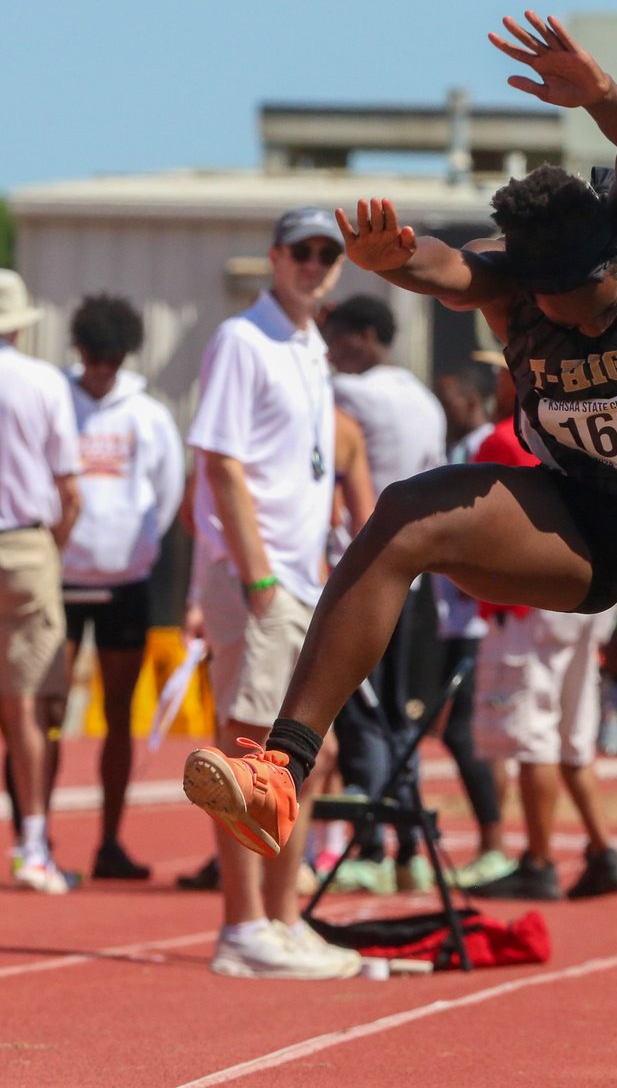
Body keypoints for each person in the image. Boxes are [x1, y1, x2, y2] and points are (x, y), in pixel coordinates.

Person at [182, 10, 617, 874]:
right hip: (572, 525)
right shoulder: (521, 291)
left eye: (598, 295)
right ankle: (281, 768)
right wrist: (392, 260)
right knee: (407, 511)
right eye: (562, 306)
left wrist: (604, 96)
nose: (585, 317)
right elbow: (450, 270)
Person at [180, 207, 361, 978]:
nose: (315, 263)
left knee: (300, 760)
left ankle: (282, 920)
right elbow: (219, 462)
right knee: (248, 760)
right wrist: (257, 577)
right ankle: (241, 926)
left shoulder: (310, 345)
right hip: (263, 579)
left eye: (328, 252)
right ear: (275, 256)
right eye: (302, 250)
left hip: (304, 577)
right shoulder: (242, 339)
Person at [468, 365, 617, 900]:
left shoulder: (504, 436)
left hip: (532, 600)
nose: (495, 381)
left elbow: (478, 527)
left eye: (501, 371)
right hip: (589, 593)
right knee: (572, 735)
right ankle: (604, 852)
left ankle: (539, 860)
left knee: (534, 734)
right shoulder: (587, 426)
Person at [319, 293, 447, 893]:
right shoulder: (425, 400)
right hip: (416, 581)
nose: (330, 351)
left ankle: (370, 845)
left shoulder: (348, 395)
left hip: (364, 574)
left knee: (360, 713)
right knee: (399, 714)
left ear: (367, 335)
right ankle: (411, 849)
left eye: (338, 337)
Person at [60, 293, 185, 880]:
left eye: (112, 355)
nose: (101, 366)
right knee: (44, 714)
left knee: (116, 715)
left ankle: (109, 842)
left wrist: (134, 550)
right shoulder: (56, 402)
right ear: (78, 349)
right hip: (57, 582)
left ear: (125, 353)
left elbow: (166, 494)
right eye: (92, 354)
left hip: (125, 583)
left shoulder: (149, 415)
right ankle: (32, 838)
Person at [0, 267, 81, 894]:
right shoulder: (41, 381)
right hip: (21, 544)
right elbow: (70, 491)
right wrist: (49, 549)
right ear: (17, 321)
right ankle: (32, 846)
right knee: (26, 708)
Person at [431, 354, 517, 889]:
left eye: (448, 403)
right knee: (470, 733)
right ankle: (494, 839)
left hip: (477, 617)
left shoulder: (488, 446)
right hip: (457, 615)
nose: (441, 412)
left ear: (470, 400)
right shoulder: (463, 447)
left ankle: (493, 843)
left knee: (466, 733)